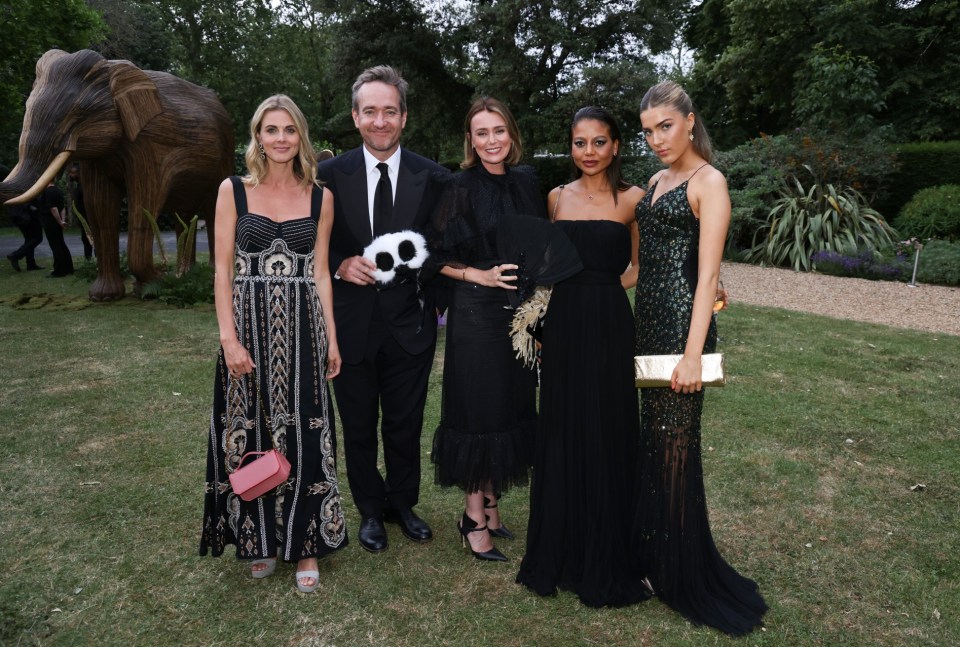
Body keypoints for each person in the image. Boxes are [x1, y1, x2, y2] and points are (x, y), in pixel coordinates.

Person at [632, 80, 767, 634]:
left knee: (676, 449)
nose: (657, 139)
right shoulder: (657, 180)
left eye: (665, 126)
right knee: (655, 444)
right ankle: (655, 558)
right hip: (648, 327)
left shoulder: (711, 181)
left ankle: (682, 572)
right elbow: (641, 267)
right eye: (648, 132)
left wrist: (692, 355)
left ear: (690, 121)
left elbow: (708, 274)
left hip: (683, 335)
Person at [199, 95, 347, 593]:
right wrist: (228, 338)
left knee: (306, 433)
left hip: (305, 328)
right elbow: (222, 269)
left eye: (289, 130)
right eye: (270, 130)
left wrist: (332, 337)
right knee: (252, 431)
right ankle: (258, 538)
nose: (280, 139)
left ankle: (305, 544)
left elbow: (321, 272)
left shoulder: (319, 197)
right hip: (249, 328)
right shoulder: (232, 192)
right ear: (257, 137)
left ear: (300, 136)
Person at [516, 106, 651, 604]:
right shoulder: (555, 198)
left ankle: (610, 546)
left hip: (611, 322)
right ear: (570, 147)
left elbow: (640, 265)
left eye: (598, 142)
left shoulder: (635, 199)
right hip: (564, 323)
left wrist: (602, 289)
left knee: (610, 424)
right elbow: (547, 264)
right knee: (563, 425)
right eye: (579, 143)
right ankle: (563, 545)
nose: (588, 152)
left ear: (615, 145)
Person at [317, 66, 447, 554]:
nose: (380, 120)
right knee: (357, 425)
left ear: (404, 117)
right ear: (355, 117)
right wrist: (338, 264)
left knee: (404, 423)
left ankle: (402, 504)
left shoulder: (433, 177)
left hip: (410, 327)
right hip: (349, 325)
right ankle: (370, 510)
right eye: (369, 111)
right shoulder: (328, 176)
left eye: (389, 111)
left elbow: (443, 248)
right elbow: (311, 243)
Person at [428, 97, 546, 562]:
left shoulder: (527, 181)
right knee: (478, 411)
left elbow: (540, 243)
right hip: (475, 312)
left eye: (498, 131)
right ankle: (472, 518)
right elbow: (432, 254)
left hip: (518, 315)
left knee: (509, 407)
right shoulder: (457, 186)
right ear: (471, 141)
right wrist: (475, 274)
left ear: (511, 135)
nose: (491, 140)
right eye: (481, 133)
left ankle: (493, 507)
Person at [38, 179, 74, 277]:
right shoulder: (58, 191)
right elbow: (62, 207)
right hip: (57, 221)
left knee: (55, 246)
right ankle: (68, 268)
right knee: (61, 244)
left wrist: (59, 221)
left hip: (50, 221)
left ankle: (59, 271)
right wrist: (62, 221)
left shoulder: (48, 192)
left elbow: (53, 209)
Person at [6, 199, 45, 272]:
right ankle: (15, 255)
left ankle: (31, 264)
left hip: (19, 216)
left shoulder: (18, 190)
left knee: (29, 240)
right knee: (37, 238)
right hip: (28, 217)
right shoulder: (33, 189)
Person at [66, 163, 93, 261]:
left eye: (73, 173)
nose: (70, 175)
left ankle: (92, 261)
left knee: (89, 239)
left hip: (88, 218)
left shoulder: (84, 187)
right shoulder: (80, 186)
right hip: (83, 218)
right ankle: (88, 261)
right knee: (86, 239)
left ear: (80, 173)